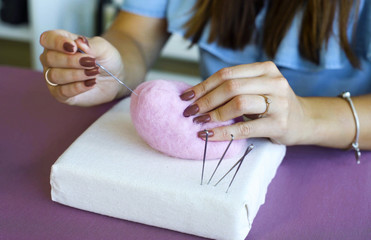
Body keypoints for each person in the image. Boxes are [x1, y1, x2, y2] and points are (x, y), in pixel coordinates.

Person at [39, 0, 371, 161]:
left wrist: (308, 118)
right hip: (217, 151)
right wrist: (115, 67)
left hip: (338, 160)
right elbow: (134, 35)